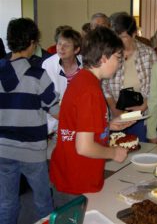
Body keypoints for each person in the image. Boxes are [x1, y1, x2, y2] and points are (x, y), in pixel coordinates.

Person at [49, 26, 134, 208]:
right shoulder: (90, 91)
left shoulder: (83, 80)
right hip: (76, 179)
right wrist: (114, 153)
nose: (119, 64)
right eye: (118, 58)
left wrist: (108, 126)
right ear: (103, 57)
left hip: (70, 173)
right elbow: (84, 147)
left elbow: (78, 126)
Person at [0, 18, 60, 224]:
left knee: (7, 202)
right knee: (43, 202)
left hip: (3, 149)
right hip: (32, 152)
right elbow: (55, 110)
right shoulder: (38, 75)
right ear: (32, 43)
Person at [102, 13, 157, 142]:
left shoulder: (148, 54)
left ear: (133, 34)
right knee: (116, 151)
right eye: (116, 37)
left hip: (141, 115)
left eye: (123, 37)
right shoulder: (109, 54)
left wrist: (144, 106)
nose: (118, 41)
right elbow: (104, 85)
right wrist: (114, 108)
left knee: (139, 151)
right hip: (116, 114)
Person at [42, 29, 82, 137]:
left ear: (76, 49)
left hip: (80, 123)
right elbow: (46, 99)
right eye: (59, 44)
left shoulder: (85, 65)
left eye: (67, 45)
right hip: (54, 126)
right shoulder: (48, 64)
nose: (61, 48)